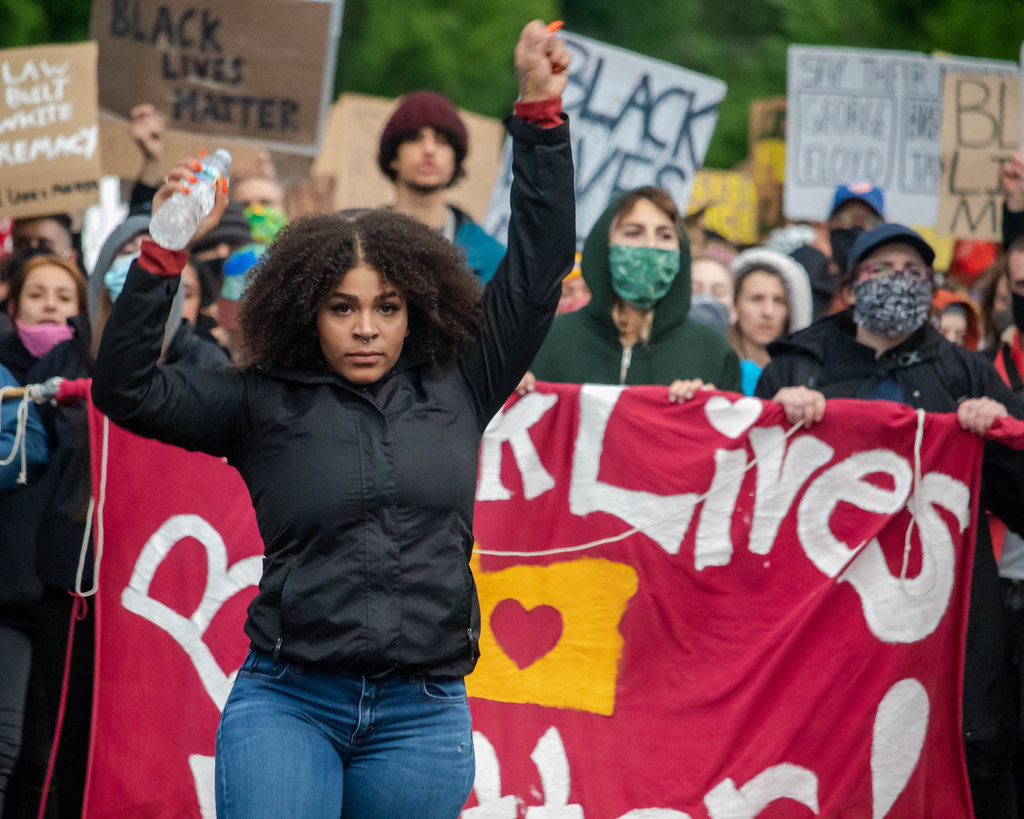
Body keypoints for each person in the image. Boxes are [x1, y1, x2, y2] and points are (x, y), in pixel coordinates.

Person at [91, 21, 573, 817]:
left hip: (424, 714)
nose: (365, 327)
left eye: (387, 307)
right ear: (302, 314)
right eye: (342, 308)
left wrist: (540, 117)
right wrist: (162, 253)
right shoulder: (259, 399)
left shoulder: (463, 380)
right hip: (289, 704)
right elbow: (126, 389)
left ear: (414, 308)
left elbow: (539, 263)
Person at [757, 223, 1024, 819]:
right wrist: (781, 420)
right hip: (825, 618)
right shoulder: (798, 369)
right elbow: (751, 506)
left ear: (931, 287)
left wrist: (1000, 437)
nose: (897, 281)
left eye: (912, 270)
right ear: (852, 286)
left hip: (941, 621)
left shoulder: (965, 374)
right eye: (881, 270)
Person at [0, 252, 94, 818]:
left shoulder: (103, 378)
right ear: (12, 304)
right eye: (38, 293)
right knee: (5, 745)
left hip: (65, 593)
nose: (51, 304)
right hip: (7, 598)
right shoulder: (2, 375)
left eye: (64, 294)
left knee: (44, 756)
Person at [524, 187, 741, 399]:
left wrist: (707, 409)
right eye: (633, 233)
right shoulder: (548, 341)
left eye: (665, 235)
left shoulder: (713, 352)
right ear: (605, 246)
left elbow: (736, 431)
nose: (650, 245)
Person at [377, 89, 505, 286]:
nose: (429, 149)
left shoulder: (494, 260)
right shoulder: (357, 246)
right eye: (414, 138)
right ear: (394, 157)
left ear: (455, 160)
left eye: (442, 141)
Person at [790, 181, 885, 320]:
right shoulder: (802, 274)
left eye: (868, 219)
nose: (856, 226)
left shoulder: (890, 283)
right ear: (828, 224)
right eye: (846, 218)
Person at [727, 248, 811, 395]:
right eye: (756, 299)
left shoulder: (807, 375)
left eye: (779, 301)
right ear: (735, 305)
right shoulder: (715, 366)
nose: (768, 312)